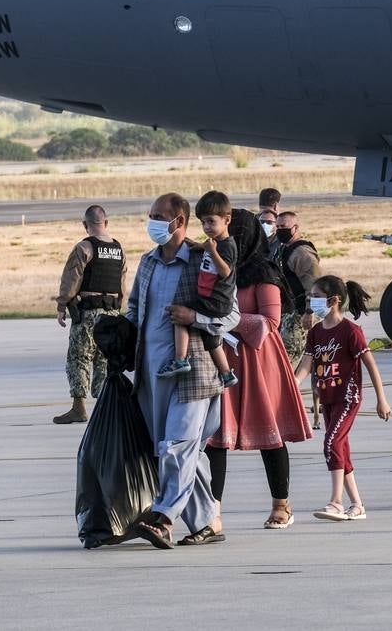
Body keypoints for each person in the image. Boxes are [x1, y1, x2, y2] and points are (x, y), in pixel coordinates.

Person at [126, 193, 239, 549]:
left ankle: (163, 518)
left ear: (181, 222)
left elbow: (230, 315)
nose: (153, 222)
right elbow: (134, 310)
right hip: (153, 375)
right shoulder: (147, 263)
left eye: (159, 216)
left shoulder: (204, 257)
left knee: (177, 447)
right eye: (150, 215)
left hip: (196, 374)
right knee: (177, 450)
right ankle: (208, 521)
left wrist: (196, 318)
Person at [205, 208, 311, 532]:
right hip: (219, 357)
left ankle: (282, 504)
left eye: (227, 234)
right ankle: (213, 511)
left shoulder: (264, 273)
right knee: (214, 436)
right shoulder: (214, 268)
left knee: (270, 433)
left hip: (256, 360)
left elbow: (271, 323)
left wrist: (228, 320)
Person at [295, 276, 391, 521]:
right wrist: (293, 387)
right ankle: (357, 505)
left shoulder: (350, 331)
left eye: (316, 297)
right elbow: (306, 365)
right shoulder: (316, 332)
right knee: (341, 449)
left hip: (347, 397)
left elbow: (370, 364)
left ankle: (336, 502)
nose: (312, 301)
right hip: (327, 397)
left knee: (331, 443)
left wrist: (382, 399)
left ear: (333, 300)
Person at [53, 205, 126, 424]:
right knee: (104, 360)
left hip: (88, 314)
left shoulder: (84, 247)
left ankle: (78, 408)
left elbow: (71, 279)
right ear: (106, 223)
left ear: (85, 225)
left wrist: (62, 305)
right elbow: (122, 283)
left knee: (79, 358)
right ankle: (106, 408)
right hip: (111, 312)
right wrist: (117, 311)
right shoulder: (118, 249)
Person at [159, 190, 238, 388]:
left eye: (211, 221)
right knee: (212, 339)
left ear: (227, 219)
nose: (206, 227)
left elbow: (225, 271)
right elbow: (209, 250)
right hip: (214, 300)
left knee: (179, 313)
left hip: (214, 300)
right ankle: (227, 374)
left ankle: (180, 359)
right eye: (203, 222)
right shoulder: (216, 243)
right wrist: (200, 246)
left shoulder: (227, 245)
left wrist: (211, 250)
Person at [276, 210, 322, 426]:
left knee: (287, 366)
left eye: (285, 228)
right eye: (279, 228)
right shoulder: (284, 251)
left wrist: (311, 313)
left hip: (301, 319)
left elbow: (316, 287)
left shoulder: (302, 254)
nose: (281, 231)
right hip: (291, 314)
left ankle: (286, 410)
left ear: (296, 228)